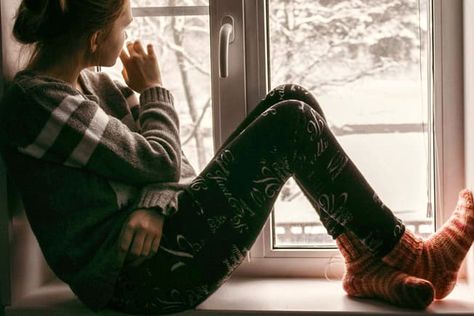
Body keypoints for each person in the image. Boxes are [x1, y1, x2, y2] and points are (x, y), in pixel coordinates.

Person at [0, 0, 472, 314]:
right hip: (138, 277)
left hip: (163, 244)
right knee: (290, 122)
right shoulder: (38, 103)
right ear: (94, 35)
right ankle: (412, 255)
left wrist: (152, 204)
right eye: (124, 25)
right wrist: (155, 91)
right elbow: (162, 159)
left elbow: (172, 165)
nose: (128, 38)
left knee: (292, 97)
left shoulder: (93, 85)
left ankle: (365, 262)